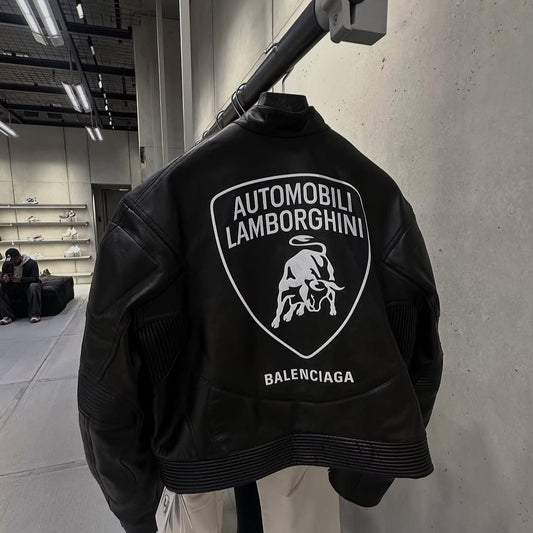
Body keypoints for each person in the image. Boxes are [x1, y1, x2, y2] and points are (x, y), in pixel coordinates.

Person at [78, 93, 442, 533]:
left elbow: (107, 383)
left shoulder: (164, 200)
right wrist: (365, 473)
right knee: (297, 509)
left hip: (202, 434)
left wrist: (134, 504)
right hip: (310, 436)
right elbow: (419, 344)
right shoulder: (378, 194)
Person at [0, 248, 42, 325]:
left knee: (34, 286)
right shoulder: (7, 264)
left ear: (19, 257)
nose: (13, 263)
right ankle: (7, 316)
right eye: (11, 261)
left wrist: (20, 279)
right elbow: (3, 279)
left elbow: (35, 278)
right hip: (13, 286)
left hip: (27, 285)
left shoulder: (31, 263)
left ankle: (35, 314)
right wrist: (4, 280)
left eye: (14, 261)